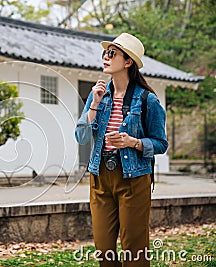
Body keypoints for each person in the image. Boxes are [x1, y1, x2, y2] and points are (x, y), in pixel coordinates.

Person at [75, 33, 168, 267]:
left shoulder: (148, 100)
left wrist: (133, 142)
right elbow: (81, 136)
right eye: (105, 53)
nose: (106, 57)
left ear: (128, 62)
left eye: (112, 53)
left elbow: (160, 143)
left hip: (134, 178)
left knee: (134, 248)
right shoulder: (98, 95)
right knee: (103, 248)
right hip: (99, 177)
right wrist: (94, 104)